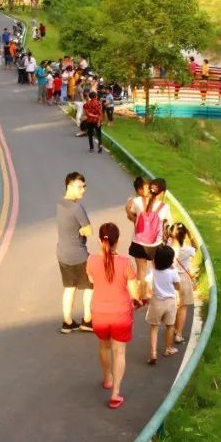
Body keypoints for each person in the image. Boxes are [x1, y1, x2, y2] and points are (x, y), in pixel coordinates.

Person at [86, 222, 142, 408]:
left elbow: (92, 279)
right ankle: (116, 393)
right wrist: (140, 300)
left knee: (104, 346)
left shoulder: (91, 260)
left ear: (100, 239)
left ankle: (107, 377)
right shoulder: (125, 263)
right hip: (120, 313)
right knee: (119, 352)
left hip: (100, 311)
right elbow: (135, 293)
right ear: (117, 241)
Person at [56, 172, 94, 333]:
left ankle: (67, 322)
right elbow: (89, 231)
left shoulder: (60, 202)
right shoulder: (77, 207)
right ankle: (87, 320)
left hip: (62, 254)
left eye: (84, 186)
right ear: (69, 186)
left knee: (69, 288)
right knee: (89, 287)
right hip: (79, 255)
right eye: (79, 187)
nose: (83, 190)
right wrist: (81, 231)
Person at [145, 243, 180, 364]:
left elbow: (147, 284)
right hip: (170, 302)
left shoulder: (153, 272)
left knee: (154, 327)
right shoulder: (173, 273)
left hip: (156, 301)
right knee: (170, 326)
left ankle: (153, 353)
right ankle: (168, 348)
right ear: (170, 261)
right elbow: (178, 287)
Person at [168, 222, 197, 344]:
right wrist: (191, 235)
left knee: (174, 306)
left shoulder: (169, 248)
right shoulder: (188, 250)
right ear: (184, 235)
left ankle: (173, 328)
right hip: (183, 279)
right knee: (183, 307)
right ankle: (178, 334)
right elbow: (195, 248)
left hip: (170, 279)